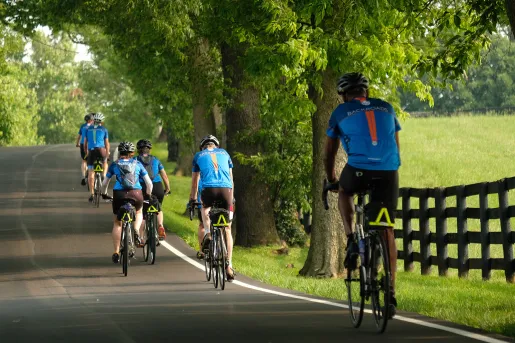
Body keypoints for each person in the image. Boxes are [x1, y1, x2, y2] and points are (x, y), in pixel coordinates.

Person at [324, 72, 401, 316]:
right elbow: (396, 146)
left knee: (345, 192)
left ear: (344, 95)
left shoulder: (340, 112)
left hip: (357, 170)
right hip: (389, 171)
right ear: (366, 92)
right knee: (386, 229)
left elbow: (329, 154)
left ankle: (350, 239)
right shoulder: (387, 108)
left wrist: (332, 180)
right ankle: (390, 293)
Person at [189, 135, 235, 281]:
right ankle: (229, 265)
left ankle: (208, 233)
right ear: (216, 145)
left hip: (208, 189)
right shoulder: (225, 153)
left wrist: (192, 199)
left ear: (203, 147)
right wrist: (231, 198)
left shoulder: (198, 156)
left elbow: (195, 182)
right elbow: (231, 178)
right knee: (227, 228)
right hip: (226, 190)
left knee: (205, 208)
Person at [101, 141, 153, 264]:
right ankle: (135, 230)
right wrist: (148, 195)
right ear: (132, 153)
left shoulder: (114, 165)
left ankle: (116, 251)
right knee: (139, 211)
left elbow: (104, 183)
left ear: (119, 152)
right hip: (136, 193)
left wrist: (104, 194)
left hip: (119, 194)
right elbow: (149, 183)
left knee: (117, 223)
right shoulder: (138, 163)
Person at [135, 139, 170, 240]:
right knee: (158, 207)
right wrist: (167, 188)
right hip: (157, 187)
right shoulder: (156, 160)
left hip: (142, 187)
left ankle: (140, 238)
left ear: (138, 150)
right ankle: (160, 226)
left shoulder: (135, 160)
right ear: (149, 150)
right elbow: (164, 175)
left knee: (141, 212)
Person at [84, 112, 110, 202]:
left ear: (93, 121)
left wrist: (86, 153)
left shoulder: (88, 129)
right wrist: (107, 154)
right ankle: (103, 175)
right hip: (101, 150)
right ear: (101, 122)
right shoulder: (104, 129)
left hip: (91, 151)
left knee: (91, 172)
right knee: (105, 161)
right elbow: (107, 143)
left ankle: (91, 193)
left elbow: (85, 144)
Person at [76, 113, 93, 186]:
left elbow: (79, 136)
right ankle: (92, 174)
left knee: (84, 161)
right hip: (91, 144)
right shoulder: (94, 126)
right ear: (91, 120)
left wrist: (77, 143)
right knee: (92, 160)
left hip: (83, 144)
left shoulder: (83, 126)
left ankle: (83, 176)